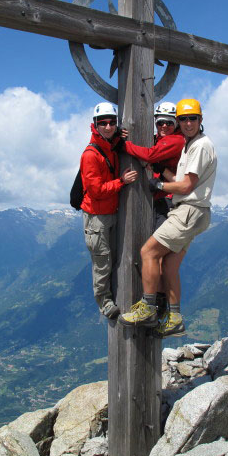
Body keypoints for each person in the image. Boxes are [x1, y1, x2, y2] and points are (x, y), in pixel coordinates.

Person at [119, 98, 217, 337]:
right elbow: (180, 178)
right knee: (168, 265)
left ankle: (148, 308)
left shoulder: (200, 146)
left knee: (148, 253)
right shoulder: (189, 144)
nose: (187, 123)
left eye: (191, 118)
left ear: (200, 120)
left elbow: (185, 186)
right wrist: (162, 170)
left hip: (187, 210)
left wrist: (158, 183)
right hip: (195, 212)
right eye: (183, 119)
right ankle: (174, 318)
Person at [118, 101, 185, 323]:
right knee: (160, 260)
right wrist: (128, 134)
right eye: (160, 123)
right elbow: (150, 148)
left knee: (154, 255)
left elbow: (149, 154)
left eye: (168, 123)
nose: (163, 126)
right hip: (159, 201)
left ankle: (153, 306)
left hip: (166, 203)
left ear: (175, 124)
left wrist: (124, 145)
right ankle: (161, 307)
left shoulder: (175, 141)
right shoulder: (164, 138)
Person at [81, 102, 138, 319]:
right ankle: (104, 302)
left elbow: (113, 144)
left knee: (113, 259)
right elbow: (95, 191)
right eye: (102, 123)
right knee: (102, 262)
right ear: (94, 125)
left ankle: (114, 296)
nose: (107, 126)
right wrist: (121, 182)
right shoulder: (90, 155)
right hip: (96, 217)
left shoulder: (108, 145)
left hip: (110, 213)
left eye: (111, 122)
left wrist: (119, 137)